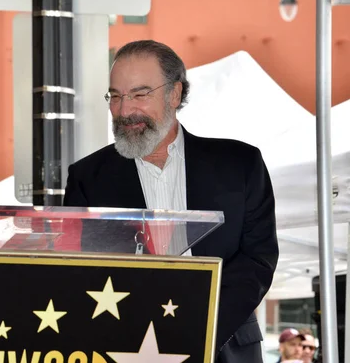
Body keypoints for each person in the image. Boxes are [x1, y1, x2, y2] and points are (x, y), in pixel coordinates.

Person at [63, 40, 278, 362]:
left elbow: (257, 259)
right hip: (126, 347)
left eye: (140, 94)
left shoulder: (240, 164)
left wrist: (198, 328)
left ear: (174, 94)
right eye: (116, 96)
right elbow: (81, 272)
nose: (124, 110)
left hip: (225, 344)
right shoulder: (88, 178)